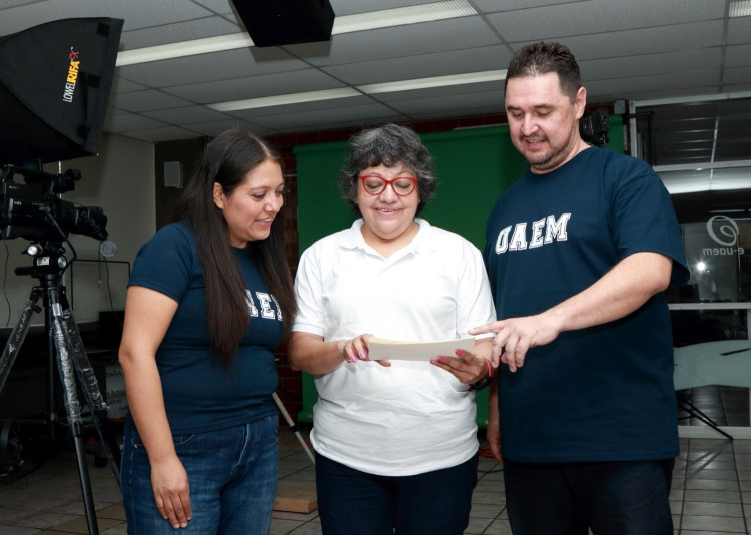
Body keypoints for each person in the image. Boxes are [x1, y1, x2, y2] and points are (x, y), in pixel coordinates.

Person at [471, 42, 689, 534]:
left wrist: (551, 321)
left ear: (579, 102)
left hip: (621, 439)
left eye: (543, 111)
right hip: (533, 438)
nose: (528, 127)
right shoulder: (504, 209)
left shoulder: (626, 179)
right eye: (515, 112)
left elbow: (650, 269)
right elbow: (508, 313)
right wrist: (498, 405)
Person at [289, 123, 496, 535]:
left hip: (442, 456)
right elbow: (300, 353)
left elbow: (486, 348)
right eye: (374, 182)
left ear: (420, 189)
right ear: (355, 188)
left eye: (402, 183)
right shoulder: (320, 257)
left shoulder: (459, 255)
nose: (388, 196)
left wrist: (480, 371)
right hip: (346, 458)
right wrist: (343, 349)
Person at [118, 130, 296, 534]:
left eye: (279, 192)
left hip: (257, 441)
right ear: (219, 194)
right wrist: (162, 460)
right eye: (258, 194)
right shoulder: (174, 246)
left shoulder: (263, 258)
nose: (273, 206)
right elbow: (134, 353)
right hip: (184, 443)